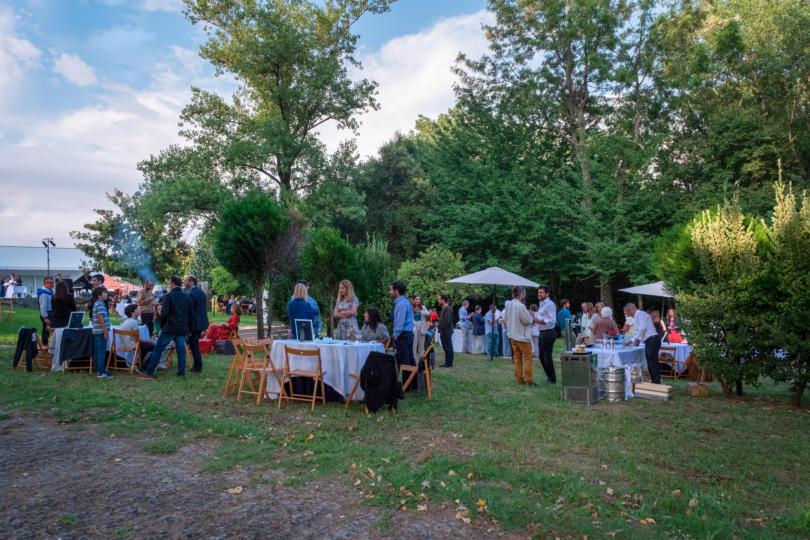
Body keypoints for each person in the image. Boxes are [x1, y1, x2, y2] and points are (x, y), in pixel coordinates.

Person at [138, 276, 193, 379]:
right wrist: (189, 328)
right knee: (181, 351)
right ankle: (181, 373)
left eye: (169, 283)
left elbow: (164, 314)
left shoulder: (169, 296)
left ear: (173, 284)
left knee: (158, 349)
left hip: (170, 328)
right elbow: (191, 314)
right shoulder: (187, 297)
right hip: (182, 328)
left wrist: (163, 326)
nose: (169, 285)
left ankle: (149, 372)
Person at [625, 303, 662, 384]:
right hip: (651, 340)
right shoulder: (638, 316)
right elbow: (637, 331)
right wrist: (631, 341)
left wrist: (637, 339)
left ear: (630, 310)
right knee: (651, 363)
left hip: (652, 340)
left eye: (628, 313)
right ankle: (655, 382)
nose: (629, 316)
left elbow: (642, 328)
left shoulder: (640, 314)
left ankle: (656, 383)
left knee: (652, 364)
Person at [505, 286, 535, 385]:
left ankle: (519, 379)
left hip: (512, 336)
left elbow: (506, 319)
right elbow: (526, 320)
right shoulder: (520, 306)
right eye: (524, 293)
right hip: (522, 337)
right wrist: (531, 316)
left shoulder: (509, 305)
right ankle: (528, 380)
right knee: (527, 358)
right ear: (521, 293)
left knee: (517, 358)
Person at [184, 275, 209, 373]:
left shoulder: (191, 293)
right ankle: (197, 366)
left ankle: (197, 367)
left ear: (191, 281)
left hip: (194, 324)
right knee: (195, 345)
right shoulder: (201, 292)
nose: (184, 282)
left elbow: (190, 311)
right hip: (201, 322)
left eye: (185, 281)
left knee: (194, 346)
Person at [533, 285, 557, 384]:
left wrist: (538, 320)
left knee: (547, 357)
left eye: (541, 292)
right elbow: (541, 316)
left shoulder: (549, 304)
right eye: (539, 292)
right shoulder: (542, 303)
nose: (539, 294)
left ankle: (552, 379)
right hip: (542, 332)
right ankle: (549, 377)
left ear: (547, 294)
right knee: (541, 357)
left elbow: (552, 320)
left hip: (548, 332)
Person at [119, 305, 154, 369]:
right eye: (137, 309)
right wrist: (147, 341)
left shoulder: (125, 320)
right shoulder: (134, 322)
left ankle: (140, 363)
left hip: (124, 344)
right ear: (132, 312)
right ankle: (143, 365)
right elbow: (137, 340)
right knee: (154, 347)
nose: (139, 310)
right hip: (131, 345)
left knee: (146, 346)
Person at [389, 281, 415, 368]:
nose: (390, 292)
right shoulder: (405, 301)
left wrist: (395, 335)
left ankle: (408, 377)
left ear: (396, 291)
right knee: (410, 358)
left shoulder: (401, 304)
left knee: (404, 361)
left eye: (391, 289)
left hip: (403, 335)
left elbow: (400, 323)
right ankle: (414, 377)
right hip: (407, 334)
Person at [91, 286, 113, 379]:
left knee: (98, 350)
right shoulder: (100, 304)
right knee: (101, 351)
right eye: (105, 292)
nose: (106, 294)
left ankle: (97, 369)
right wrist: (105, 331)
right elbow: (100, 318)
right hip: (101, 331)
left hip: (97, 331)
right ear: (99, 295)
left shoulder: (99, 303)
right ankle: (101, 371)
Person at [37, 276, 55, 345]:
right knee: (47, 330)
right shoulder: (43, 293)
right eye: (49, 283)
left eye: (52, 283)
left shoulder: (50, 291)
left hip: (50, 312)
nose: (51, 284)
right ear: (45, 284)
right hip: (47, 313)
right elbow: (42, 307)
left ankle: (46, 344)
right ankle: (45, 345)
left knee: (48, 329)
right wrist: (45, 318)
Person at [437, 294, 454, 368]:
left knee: (448, 347)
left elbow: (447, 321)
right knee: (446, 347)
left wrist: (441, 328)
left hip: (446, 331)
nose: (438, 301)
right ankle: (447, 363)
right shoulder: (445, 308)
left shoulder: (447, 308)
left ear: (443, 300)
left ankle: (449, 364)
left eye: (439, 299)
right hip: (444, 331)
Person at [412, 295, 429, 360]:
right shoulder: (411, 307)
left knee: (421, 345)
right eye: (416, 299)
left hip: (421, 328)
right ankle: (414, 359)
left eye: (419, 299)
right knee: (414, 345)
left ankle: (421, 360)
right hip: (414, 328)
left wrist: (422, 309)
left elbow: (427, 314)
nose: (417, 300)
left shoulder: (423, 307)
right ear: (414, 300)